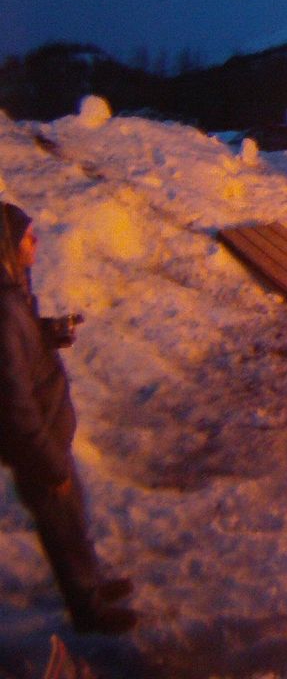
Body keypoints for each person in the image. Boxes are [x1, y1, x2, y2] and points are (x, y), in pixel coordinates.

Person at [0, 203, 136, 634]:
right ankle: (89, 612)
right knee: (61, 529)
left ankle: (92, 583)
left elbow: (22, 349)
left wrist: (47, 333)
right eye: (27, 236)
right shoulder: (1, 312)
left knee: (74, 521)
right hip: (37, 446)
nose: (35, 242)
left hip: (50, 436)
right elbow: (12, 402)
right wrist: (48, 462)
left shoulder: (13, 289)